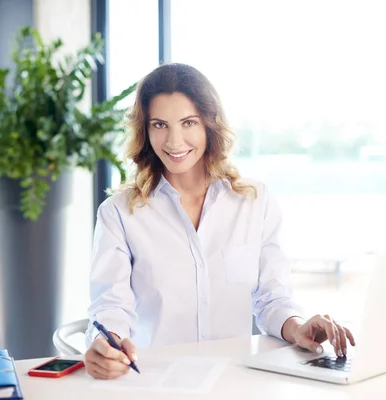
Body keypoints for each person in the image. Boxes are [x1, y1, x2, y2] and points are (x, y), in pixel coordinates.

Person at [83, 63, 355, 380]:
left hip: (237, 380)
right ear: (145, 130)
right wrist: (105, 343)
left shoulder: (255, 202)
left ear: (210, 126)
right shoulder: (119, 212)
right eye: (160, 124)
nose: (174, 141)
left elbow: (271, 299)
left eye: (188, 123)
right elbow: (111, 307)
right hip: (155, 383)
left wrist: (297, 328)